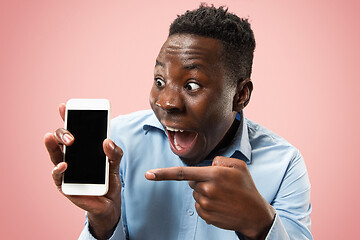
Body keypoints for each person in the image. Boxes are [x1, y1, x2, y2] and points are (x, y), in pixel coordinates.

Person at [44, 4, 312, 240]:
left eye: (192, 85)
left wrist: (260, 224)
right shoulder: (116, 144)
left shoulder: (284, 164)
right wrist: (103, 223)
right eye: (160, 81)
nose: (167, 102)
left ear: (240, 95)